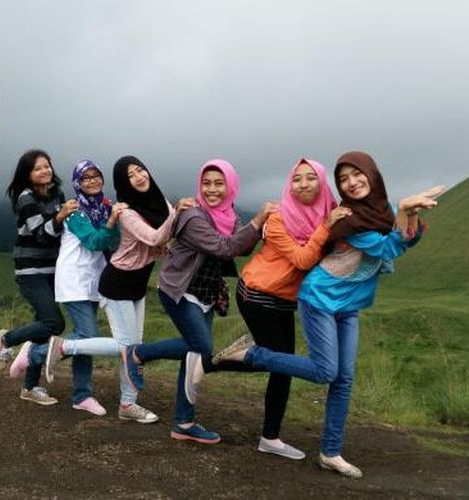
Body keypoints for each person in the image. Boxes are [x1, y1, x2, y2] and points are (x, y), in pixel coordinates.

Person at [214, 151, 442, 478]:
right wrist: (404, 213)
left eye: (356, 174)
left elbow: (406, 240)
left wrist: (409, 214)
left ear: (372, 174)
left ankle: (330, 452)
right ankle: (252, 354)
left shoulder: (384, 210)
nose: (351, 182)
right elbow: (388, 248)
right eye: (344, 178)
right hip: (320, 297)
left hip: (350, 303)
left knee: (343, 378)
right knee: (325, 371)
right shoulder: (347, 218)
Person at [186, 158, 349, 457]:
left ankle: (269, 438)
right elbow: (301, 259)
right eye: (296, 179)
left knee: (282, 366)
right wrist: (326, 227)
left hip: (285, 299)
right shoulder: (278, 218)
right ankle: (212, 362)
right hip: (257, 293)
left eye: (310, 178)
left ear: (322, 182)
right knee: (278, 361)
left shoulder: (330, 213)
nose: (303, 184)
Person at [120, 159, 275, 443]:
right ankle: (138, 353)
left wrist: (261, 226)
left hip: (205, 294)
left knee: (192, 358)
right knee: (201, 348)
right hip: (179, 291)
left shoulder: (228, 215)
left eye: (219, 183)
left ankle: (184, 422)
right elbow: (224, 247)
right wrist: (257, 220)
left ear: (231, 187)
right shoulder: (193, 215)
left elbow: (242, 244)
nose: (212, 190)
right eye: (207, 183)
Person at [70, 155, 177, 424]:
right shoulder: (127, 212)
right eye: (131, 175)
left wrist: (164, 247)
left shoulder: (159, 202)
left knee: (134, 349)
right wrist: (179, 213)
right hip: (117, 282)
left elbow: (156, 243)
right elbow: (154, 236)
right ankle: (64, 347)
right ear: (122, 183)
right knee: (126, 347)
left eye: (141, 169)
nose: (139, 176)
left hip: (138, 283)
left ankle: (128, 404)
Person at [37, 159, 126, 416]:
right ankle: (40, 355)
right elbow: (94, 241)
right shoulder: (75, 211)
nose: (92, 181)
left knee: (86, 340)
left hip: (95, 281)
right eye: (86, 177)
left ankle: (77, 390)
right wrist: (111, 223)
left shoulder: (104, 206)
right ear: (77, 182)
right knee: (88, 337)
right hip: (74, 279)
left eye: (96, 175)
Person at [0, 149, 78, 406]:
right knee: (54, 323)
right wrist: (61, 216)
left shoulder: (56, 193)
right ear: (27, 174)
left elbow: (62, 229)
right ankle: (7, 339)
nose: (45, 171)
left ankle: (30, 387)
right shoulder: (25, 197)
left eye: (47, 166)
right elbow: (41, 232)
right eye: (38, 168)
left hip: (52, 268)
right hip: (30, 271)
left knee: (42, 327)